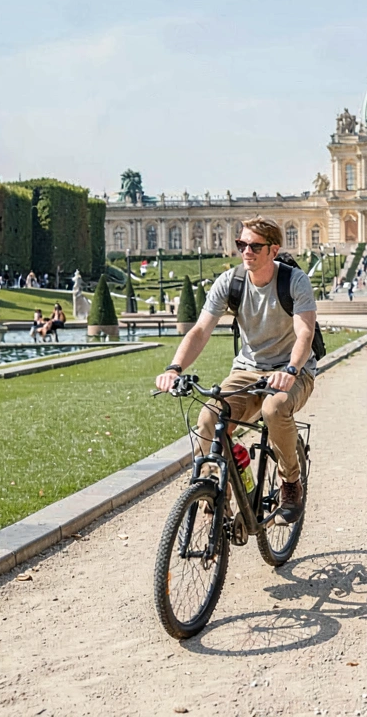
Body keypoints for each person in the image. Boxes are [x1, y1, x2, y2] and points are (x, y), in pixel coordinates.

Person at [153, 216, 316, 524]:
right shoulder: (231, 281)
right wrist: (174, 368)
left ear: (273, 249)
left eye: (255, 246)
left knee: (275, 407)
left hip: (293, 371)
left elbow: (305, 332)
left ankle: (291, 483)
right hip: (247, 370)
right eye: (242, 244)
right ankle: (218, 488)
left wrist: (291, 370)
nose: (246, 252)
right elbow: (200, 330)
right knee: (208, 417)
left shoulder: (294, 280)